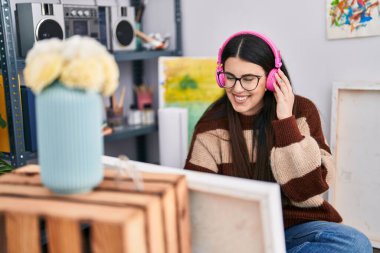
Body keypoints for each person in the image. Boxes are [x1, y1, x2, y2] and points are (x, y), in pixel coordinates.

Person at [184, 31, 372, 253]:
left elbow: (308, 189)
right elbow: (194, 202)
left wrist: (286, 123)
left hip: (297, 228)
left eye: (249, 79)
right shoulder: (211, 126)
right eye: (230, 77)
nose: (236, 88)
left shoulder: (302, 112)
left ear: (272, 80)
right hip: (238, 237)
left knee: (356, 244)